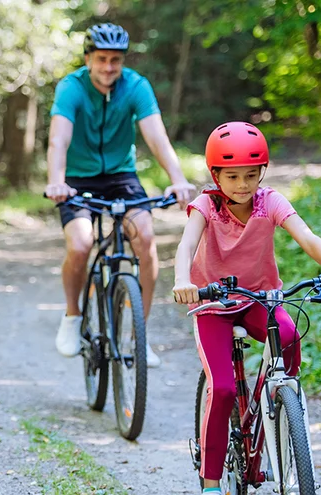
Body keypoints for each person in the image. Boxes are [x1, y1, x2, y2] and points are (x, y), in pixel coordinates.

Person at [172, 121, 321, 494]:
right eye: (234, 176)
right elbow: (186, 244)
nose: (243, 185)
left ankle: (281, 404)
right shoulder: (206, 205)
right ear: (216, 176)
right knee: (223, 389)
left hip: (260, 298)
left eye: (251, 175)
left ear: (262, 172)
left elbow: (305, 235)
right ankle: (211, 483)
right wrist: (183, 280)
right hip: (214, 303)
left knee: (288, 335)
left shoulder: (269, 200)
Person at [44, 23, 196, 366]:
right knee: (81, 245)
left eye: (116, 60)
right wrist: (56, 180)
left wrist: (178, 179)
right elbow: (59, 140)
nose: (109, 67)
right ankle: (72, 317)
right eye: (101, 59)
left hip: (121, 176)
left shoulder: (136, 86)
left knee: (145, 238)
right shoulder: (71, 87)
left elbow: (157, 138)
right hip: (76, 179)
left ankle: (138, 337)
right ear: (88, 59)